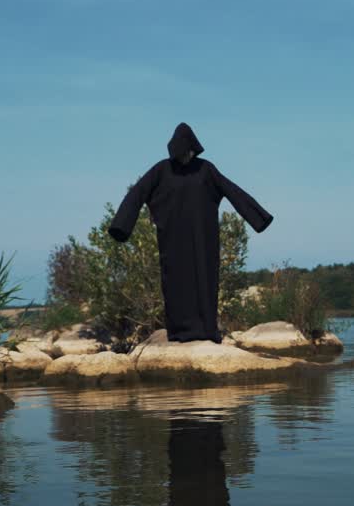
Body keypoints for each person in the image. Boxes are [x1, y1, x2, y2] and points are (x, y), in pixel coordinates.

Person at [109, 122, 273, 342]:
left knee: (205, 281)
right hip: (172, 239)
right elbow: (136, 195)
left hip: (203, 238)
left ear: (193, 149)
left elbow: (232, 191)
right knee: (175, 282)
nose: (185, 157)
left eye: (188, 152)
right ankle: (178, 331)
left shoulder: (205, 169)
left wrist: (259, 218)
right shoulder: (161, 171)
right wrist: (121, 227)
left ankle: (206, 330)